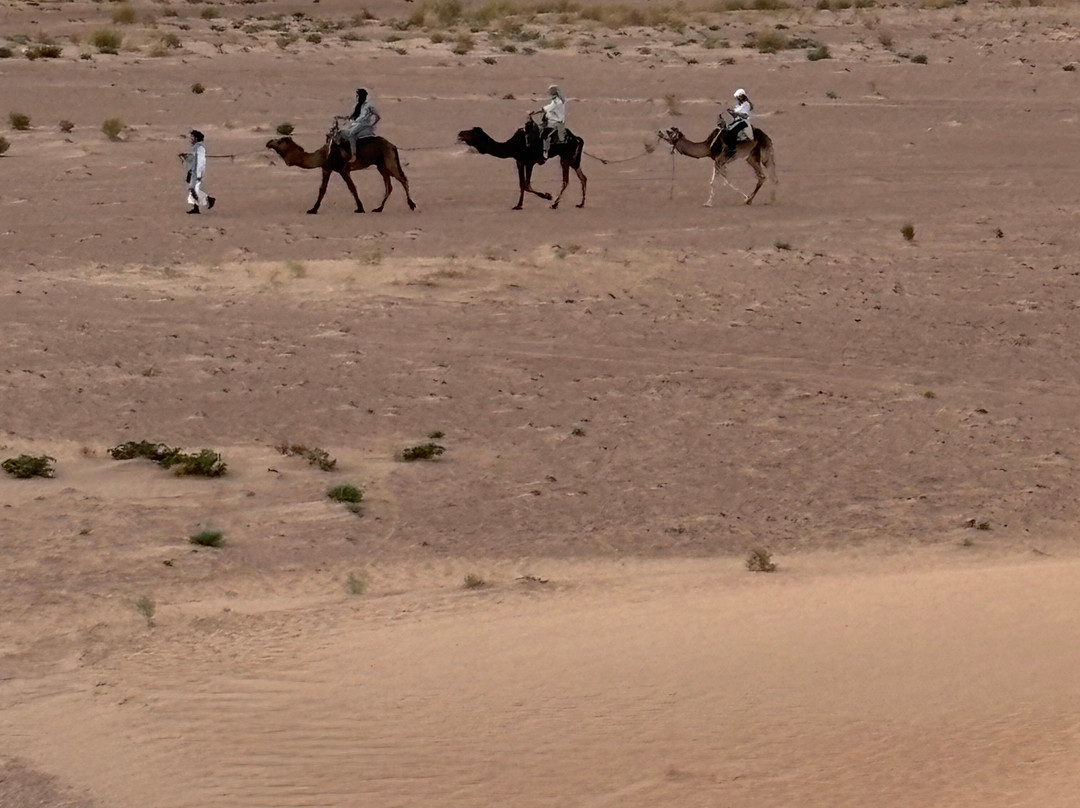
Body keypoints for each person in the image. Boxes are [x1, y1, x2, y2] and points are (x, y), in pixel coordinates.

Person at [337, 88, 381, 160]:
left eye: (358, 96)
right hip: (354, 123)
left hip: (363, 124)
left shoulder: (369, 106)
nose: (357, 97)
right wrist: (340, 117)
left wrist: (372, 124)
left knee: (351, 134)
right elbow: (350, 116)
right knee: (339, 133)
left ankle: (354, 155)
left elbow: (378, 116)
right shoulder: (356, 106)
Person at [530, 84, 566, 162]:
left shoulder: (557, 102)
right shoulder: (555, 100)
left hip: (555, 123)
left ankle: (545, 152)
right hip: (549, 122)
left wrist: (534, 112)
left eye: (550, 91)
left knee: (544, 135)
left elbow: (545, 109)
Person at [184, 129, 215, 214]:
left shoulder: (200, 148)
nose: (191, 139)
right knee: (192, 190)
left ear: (196, 138)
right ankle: (196, 207)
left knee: (194, 189)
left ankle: (209, 199)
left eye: (192, 137)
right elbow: (192, 160)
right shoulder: (195, 147)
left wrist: (198, 174)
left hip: (197, 173)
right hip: (193, 172)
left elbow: (200, 162)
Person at [719, 88, 754, 160]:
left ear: (741, 97)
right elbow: (736, 116)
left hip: (743, 122)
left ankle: (732, 150)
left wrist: (736, 113)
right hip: (738, 121)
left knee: (730, 132)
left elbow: (745, 116)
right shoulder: (739, 106)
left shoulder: (746, 105)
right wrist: (731, 113)